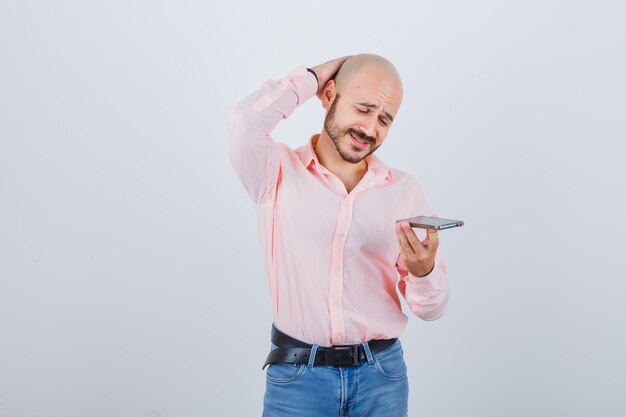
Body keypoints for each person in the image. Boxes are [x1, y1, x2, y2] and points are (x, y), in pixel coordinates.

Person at [227, 54, 451, 417]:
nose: (370, 129)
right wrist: (314, 77)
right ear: (329, 96)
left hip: (382, 378)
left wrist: (423, 272)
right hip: (297, 379)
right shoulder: (275, 173)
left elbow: (432, 309)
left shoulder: (404, 192)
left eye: (384, 119)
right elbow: (244, 121)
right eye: (363, 109)